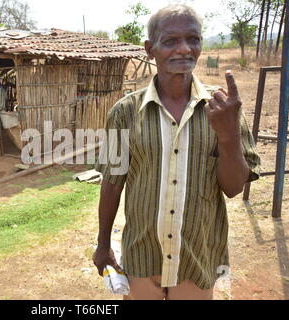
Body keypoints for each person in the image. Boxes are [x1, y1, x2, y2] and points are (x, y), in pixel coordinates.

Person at [93, 4, 261, 300]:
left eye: (193, 39)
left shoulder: (223, 109)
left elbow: (234, 188)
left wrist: (228, 135)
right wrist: (103, 243)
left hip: (197, 257)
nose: (184, 49)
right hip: (142, 256)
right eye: (170, 41)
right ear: (150, 49)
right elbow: (112, 181)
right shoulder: (125, 112)